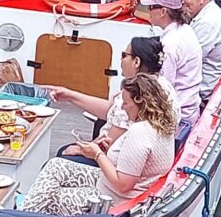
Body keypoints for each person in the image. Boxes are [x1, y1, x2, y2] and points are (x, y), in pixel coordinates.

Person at [21, 74, 177, 216]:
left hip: (115, 202)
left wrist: (97, 154)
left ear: (139, 101)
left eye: (126, 102)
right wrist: (109, 150)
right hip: (109, 186)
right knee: (56, 165)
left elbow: (123, 185)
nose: (122, 107)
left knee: (50, 197)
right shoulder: (163, 125)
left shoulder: (140, 131)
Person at [48, 36, 178, 166]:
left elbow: (109, 143)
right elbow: (111, 110)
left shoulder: (136, 93)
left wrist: (80, 149)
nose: (121, 60)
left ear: (136, 62)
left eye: (124, 55)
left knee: (62, 157)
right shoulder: (163, 85)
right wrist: (70, 96)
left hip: (116, 163)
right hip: (136, 159)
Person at [140, 0, 201, 126]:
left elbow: (163, 86)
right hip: (190, 106)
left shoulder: (169, 44)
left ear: (163, 11)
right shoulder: (186, 30)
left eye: (151, 7)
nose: (148, 11)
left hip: (179, 113)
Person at [179, 0, 221, 100]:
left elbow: (188, 60)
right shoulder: (205, 14)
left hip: (202, 91)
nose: (181, 2)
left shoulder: (208, 22)